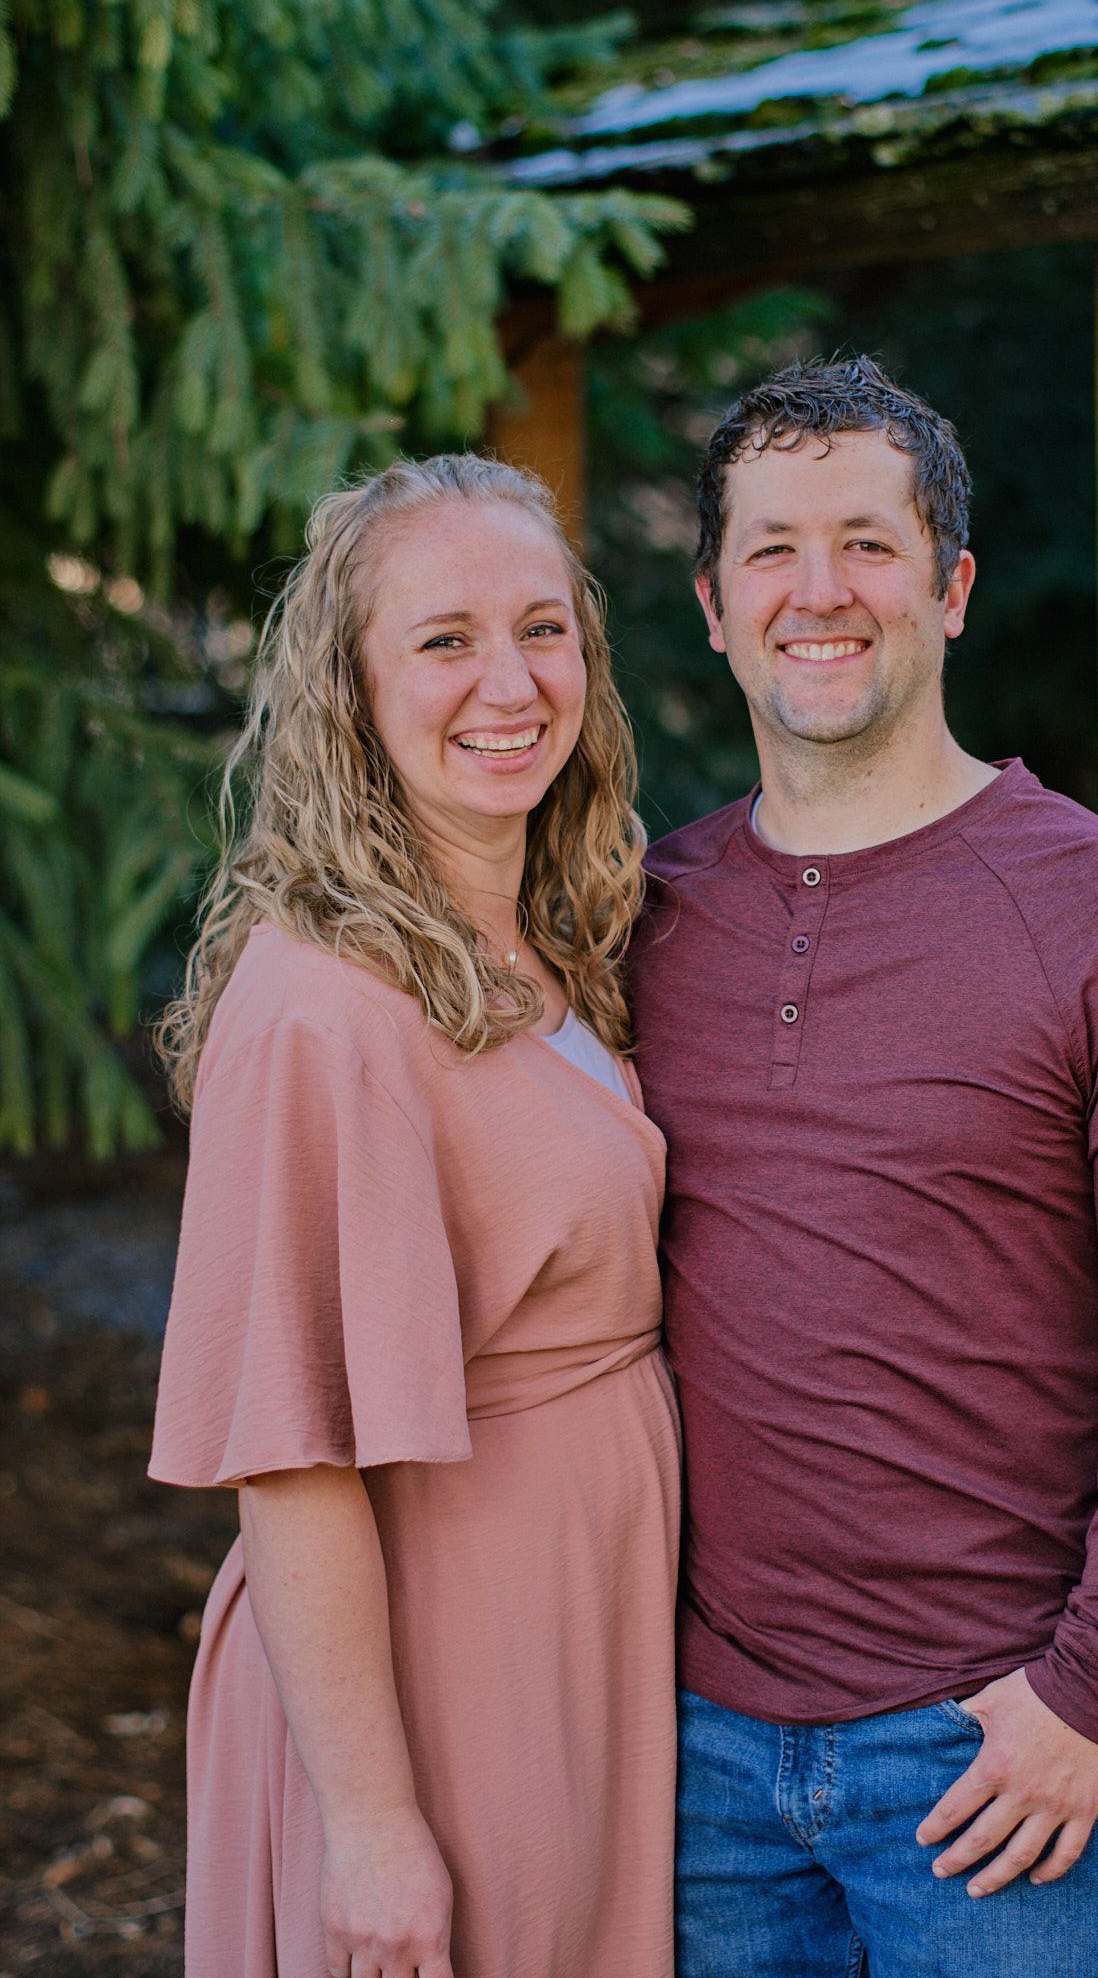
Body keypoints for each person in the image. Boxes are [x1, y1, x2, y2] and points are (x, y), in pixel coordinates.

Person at [628, 356, 1098, 1978]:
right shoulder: (640, 916)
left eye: (867, 543)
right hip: (692, 1752)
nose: (815, 592)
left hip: (994, 1750)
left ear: (951, 587)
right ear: (710, 603)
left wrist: (1096, 1691)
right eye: (769, 549)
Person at [150, 454, 680, 1978]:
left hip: (576, 1633)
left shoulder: (548, 935)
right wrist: (374, 1823)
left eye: (542, 628)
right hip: (445, 1665)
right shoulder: (324, 1006)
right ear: (350, 687)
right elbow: (290, 1449)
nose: (507, 682)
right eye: (443, 640)